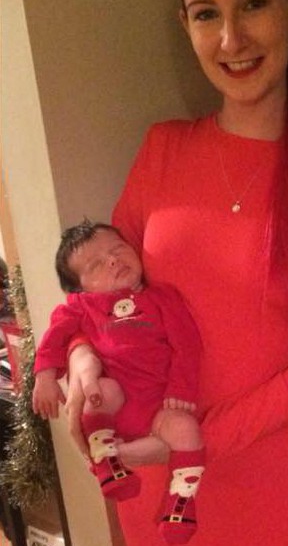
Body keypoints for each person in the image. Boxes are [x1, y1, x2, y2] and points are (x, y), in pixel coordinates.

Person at [66, 0, 288, 545]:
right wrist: (78, 367)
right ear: (186, 24)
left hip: (272, 502)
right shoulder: (163, 148)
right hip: (155, 494)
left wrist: (192, 441)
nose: (231, 39)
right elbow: (98, 291)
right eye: (207, 13)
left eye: (254, 4)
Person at [33, 221, 204, 544]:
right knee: (101, 391)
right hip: (115, 405)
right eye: (96, 264)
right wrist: (45, 376)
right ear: (80, 288)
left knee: (186, 429)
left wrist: (181, 389)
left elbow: (187, 344)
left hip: (160, 407)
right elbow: (55, 338)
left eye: (118, 250)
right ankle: (107, 462)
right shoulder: (82, 307)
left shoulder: (163, 298)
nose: (113, 260)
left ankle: (180, 504)